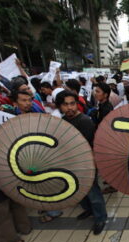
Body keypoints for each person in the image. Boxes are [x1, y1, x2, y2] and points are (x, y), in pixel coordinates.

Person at [55, 90, 108, 234]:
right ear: (60, 107)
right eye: (65, 105)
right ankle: (89, 211)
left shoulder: (85, 121)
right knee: (79, 192)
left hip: (86, 165)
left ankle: (101, 218)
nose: (70, 107)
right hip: (71, 164)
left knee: (93, 193)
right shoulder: (63, 121)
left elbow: (92, 146)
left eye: (72, 103)